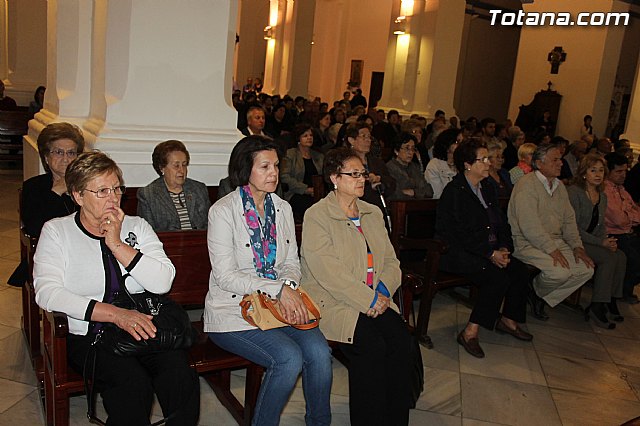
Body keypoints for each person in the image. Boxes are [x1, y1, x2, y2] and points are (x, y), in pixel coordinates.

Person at [33, 151, 199, 425]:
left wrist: (118, 245)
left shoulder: (137, 227)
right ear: (78, 196)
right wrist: (115, 314)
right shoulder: (57, 231)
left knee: (181, 376)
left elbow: (163, 281)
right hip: (92, 335)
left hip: (145, 326)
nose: (113, 198)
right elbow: (47, 292)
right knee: (132, 387)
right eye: (101, 191)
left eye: (116, 188)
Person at [205, 136, 332, 426]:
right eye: (264, 166)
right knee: (288, 359)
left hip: (277, 307)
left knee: (320, 353)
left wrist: (286, 289)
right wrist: (279, 290)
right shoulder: (223, 211)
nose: (273, 173)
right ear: (245, 169)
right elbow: (225, 277)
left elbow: (291, 263)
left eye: (276, 165)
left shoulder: (283, 208)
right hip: (233, 311)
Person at [300, 147, 411, 426]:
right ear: (334, 178)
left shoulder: (372, 212)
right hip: (334, 302)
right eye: (353, 174)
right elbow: (329, 273)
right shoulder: (317, 216)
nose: (361, 178)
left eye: (362, 173)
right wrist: (369, 300)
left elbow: (390, 260)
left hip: (375, 297)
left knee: (400, 339)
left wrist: (382, 293)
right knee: (371, 347)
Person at [436, 139, 532, 358]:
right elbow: (458, 234)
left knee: (518, 270)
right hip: (457, 252)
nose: (489, 163)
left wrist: (505, 247)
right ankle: (470, 333)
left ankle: (508, 319)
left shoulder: (487, 187)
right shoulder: (455, 191)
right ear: (468, 164)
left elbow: (501, 223)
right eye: (484, 159)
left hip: (487, 250)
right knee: (496, 277)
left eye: (489, 158)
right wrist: (490, 254)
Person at [508, 144, 594, 321]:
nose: (561, 163)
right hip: (526, 242)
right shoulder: (526, 185)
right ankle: (537, 291)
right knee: (559, 273)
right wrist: (551, 249)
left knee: (585, 269)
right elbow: (529, 225)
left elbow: (569, 221)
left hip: (554, 240)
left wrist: (577, 246)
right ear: (539, 163)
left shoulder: (559, 186)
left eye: (560, 159)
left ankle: (539, 295)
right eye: (555, 160)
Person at [7, 122, 85, 287]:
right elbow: (35, 228)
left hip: (84, 252)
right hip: (49, 257)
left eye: (71, 153)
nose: (66, 158)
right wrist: (56, 192)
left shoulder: (87, 185)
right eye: (58, 152)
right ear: (46, 157)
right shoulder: (33, 187)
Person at [567, 154, 625, 328]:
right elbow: (573, 228)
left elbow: (600, 225)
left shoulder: (602, 195)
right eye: (593, 170)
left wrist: (607, 240)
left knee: (620, 256)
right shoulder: (574, 193)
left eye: (601, 170)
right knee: (608, 258)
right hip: (574, 240)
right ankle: (597, 305)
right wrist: (601, 244)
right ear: (584, 173)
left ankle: (610, 300)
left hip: (592, 240)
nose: (598, 174)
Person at [137, 140, 210, 231]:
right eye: (176, 165)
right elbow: (147, 232)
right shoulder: (148, 195)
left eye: (184, 165)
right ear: (162, 167)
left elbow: (210, 226)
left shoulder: (199, 189)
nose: (182, 170)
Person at [604, 152, 640, 304]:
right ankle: (620, 292)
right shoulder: (605, 190)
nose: (623, 175)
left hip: (627, 231)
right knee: (634, 259)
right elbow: (618, 219)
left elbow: (636, 212)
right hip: (613, 234)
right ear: (609, 171)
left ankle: (625, 289)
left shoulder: (621, 190)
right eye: (619, 171)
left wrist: (629, 217)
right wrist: (629, 217)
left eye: (625, 171)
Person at [340, 122, 396, 219]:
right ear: (351, 140)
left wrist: (379, 179)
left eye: (369, 137)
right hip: (354, 208)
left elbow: (392, 184)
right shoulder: (345, 162)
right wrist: (368, 183)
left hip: (377, 209)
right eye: (363, 136)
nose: (368, 140)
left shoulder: (376, 162)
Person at [280, 123, 325, 220]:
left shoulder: (319, 156)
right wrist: (306, 189)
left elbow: (323, 176)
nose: (309, 138)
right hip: (296, 193)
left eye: (311, 135)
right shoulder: (290, 154)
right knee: (311, 208)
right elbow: (284, 177)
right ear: (298, 139)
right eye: (305, 136)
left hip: (317, 193)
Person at [385, 132, 433, 200]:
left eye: (413, 149)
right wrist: (419, 191)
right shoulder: (389, 168)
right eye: (407, 148)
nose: (410, 152)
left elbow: (429, 191)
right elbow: (396, 194)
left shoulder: (415, 167)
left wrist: (414, 192)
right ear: (396, 151)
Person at [424, 128, 461, 199]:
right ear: (448, 144)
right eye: (457, 142)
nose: (461, 145)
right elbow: (437, 194)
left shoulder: (462, 164)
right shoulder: (435, 165)